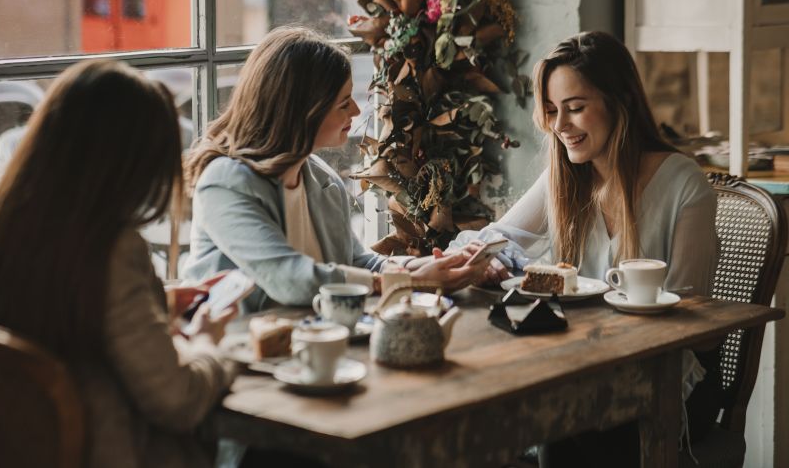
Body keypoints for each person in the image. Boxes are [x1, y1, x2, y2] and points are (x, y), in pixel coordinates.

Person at [466, 31, 721, 466]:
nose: (560, 126)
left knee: (564, 430)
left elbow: (686, 316)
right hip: (587, 369)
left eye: (575, 108)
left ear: (619, 101)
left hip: (670, 379)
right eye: (551, 111)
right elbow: (498, 238)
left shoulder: (683, 183)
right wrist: (460, 261)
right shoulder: (565, 178)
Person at [0, 60, 238, 468]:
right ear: (128, 163)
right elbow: (176, 399)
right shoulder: (109, 248)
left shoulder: (5, 219)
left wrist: (155, 305)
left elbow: (54, 314)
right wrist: (213, 345)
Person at [182, 26, 487, 312]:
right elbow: (290, 280)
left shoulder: (321, 178)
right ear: (301, 111)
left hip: (313, 341)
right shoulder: (225, 183)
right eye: (343, 103)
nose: (355, 111)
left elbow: (356, 263)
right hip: (237, 348)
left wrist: (430, 266)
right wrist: (408, 282)